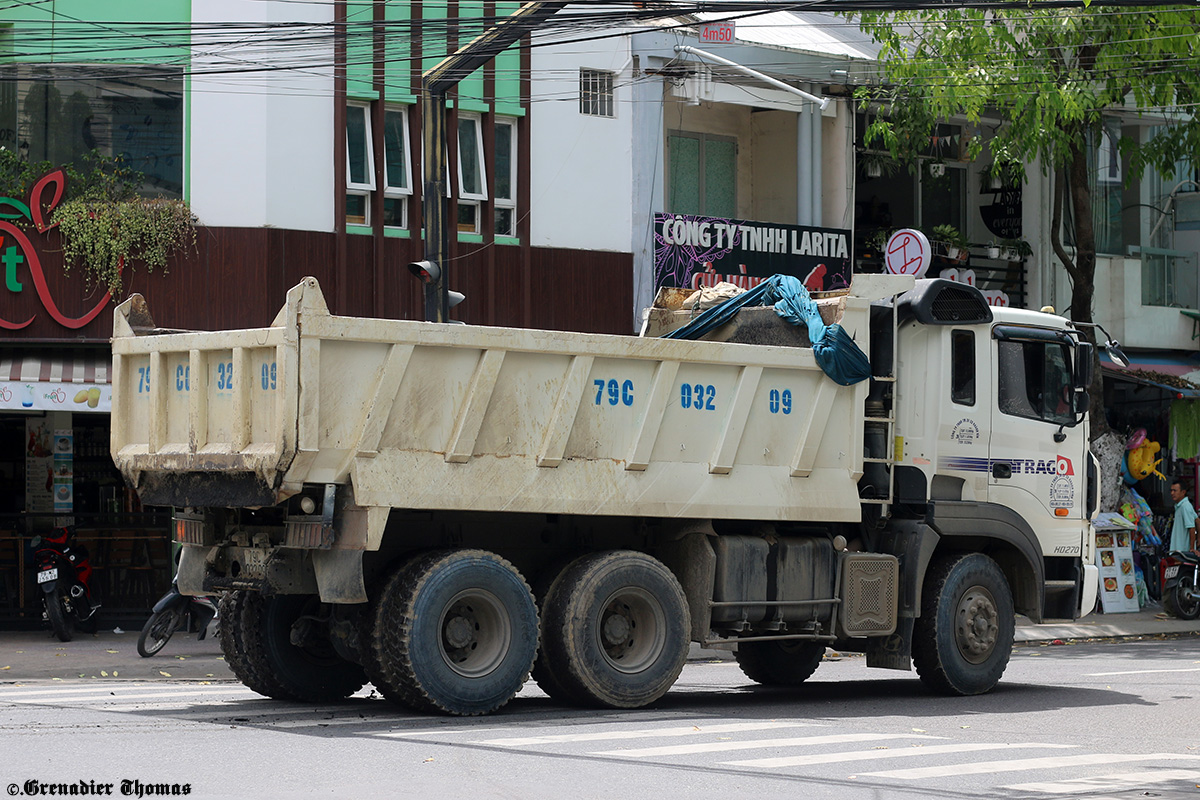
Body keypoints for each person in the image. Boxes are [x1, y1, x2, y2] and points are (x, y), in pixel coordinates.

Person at [1168, 479, 1198, 553]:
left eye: (1175, 491)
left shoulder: (1185, 506)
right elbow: (1197, 520)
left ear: (1183, 492)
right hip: (1178, 550)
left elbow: (1192, 528)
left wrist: (1192, 549)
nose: (1172, 493)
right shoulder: (1180, 506)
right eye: (1171, 490)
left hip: (1183, 552)